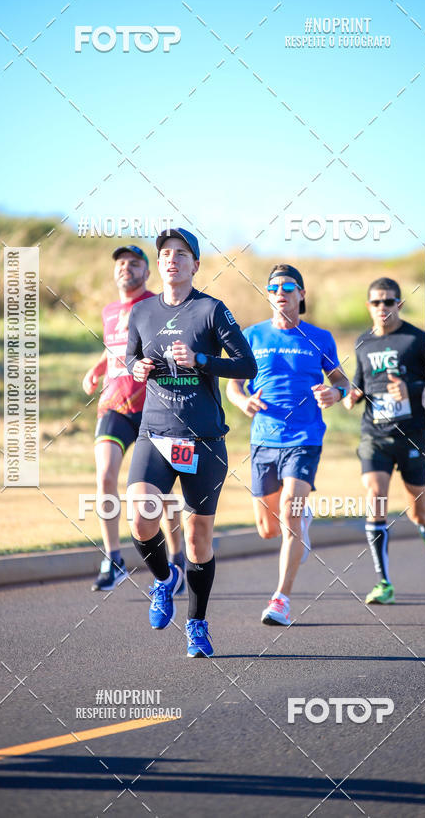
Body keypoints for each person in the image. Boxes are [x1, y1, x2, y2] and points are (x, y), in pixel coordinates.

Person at [125, 227, 257, 658]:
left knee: (199, 540)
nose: (172, 259)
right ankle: (165, 580)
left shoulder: (211, 310)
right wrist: (137, 368)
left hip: (203, 440)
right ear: (158, 263)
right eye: (165, 253)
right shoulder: (142, 313)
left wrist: (200, 360)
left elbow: (245, 365)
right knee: (141, 517)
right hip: (154, 433)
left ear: (195, 264)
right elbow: (130, 357)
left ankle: (197, 624)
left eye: (182, 254)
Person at [226, 264, 348, 626]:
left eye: (288, 286)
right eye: (273, 286)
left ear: (301, 294)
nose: (280, 291)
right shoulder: (251, 336)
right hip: (263, 438)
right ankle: (301, 522)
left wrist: (335, 392)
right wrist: (241, 401)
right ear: (268, 294)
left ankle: (281, 600)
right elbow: (232, 385)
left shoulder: (319, 337)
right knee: (268, 528)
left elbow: (341, 381)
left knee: (291, 517)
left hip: (305, 438)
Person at [82, 244, 185, 592]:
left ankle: (177, 559)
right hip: (113, 406)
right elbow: (113, 348)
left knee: (164, 491)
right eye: (121, 263)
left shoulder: (158, 306)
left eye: (134, 264)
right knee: (105, 478)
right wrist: (96, 370)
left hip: (153, 408)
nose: (126, 268)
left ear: (147, 271)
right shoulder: (110, 310)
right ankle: (113, 559)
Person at [344, 277, 425, 604]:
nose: (383, 308)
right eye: (376, 302)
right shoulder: (363, 343)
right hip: (376, 436)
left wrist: (412, 389)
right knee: (376, 496)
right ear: (368, 306)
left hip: (414, 435)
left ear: (399, 304)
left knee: (417, 509)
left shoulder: (418, 340)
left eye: (389, 302)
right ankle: (383, 582)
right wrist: (350, 396)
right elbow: (361, 384)